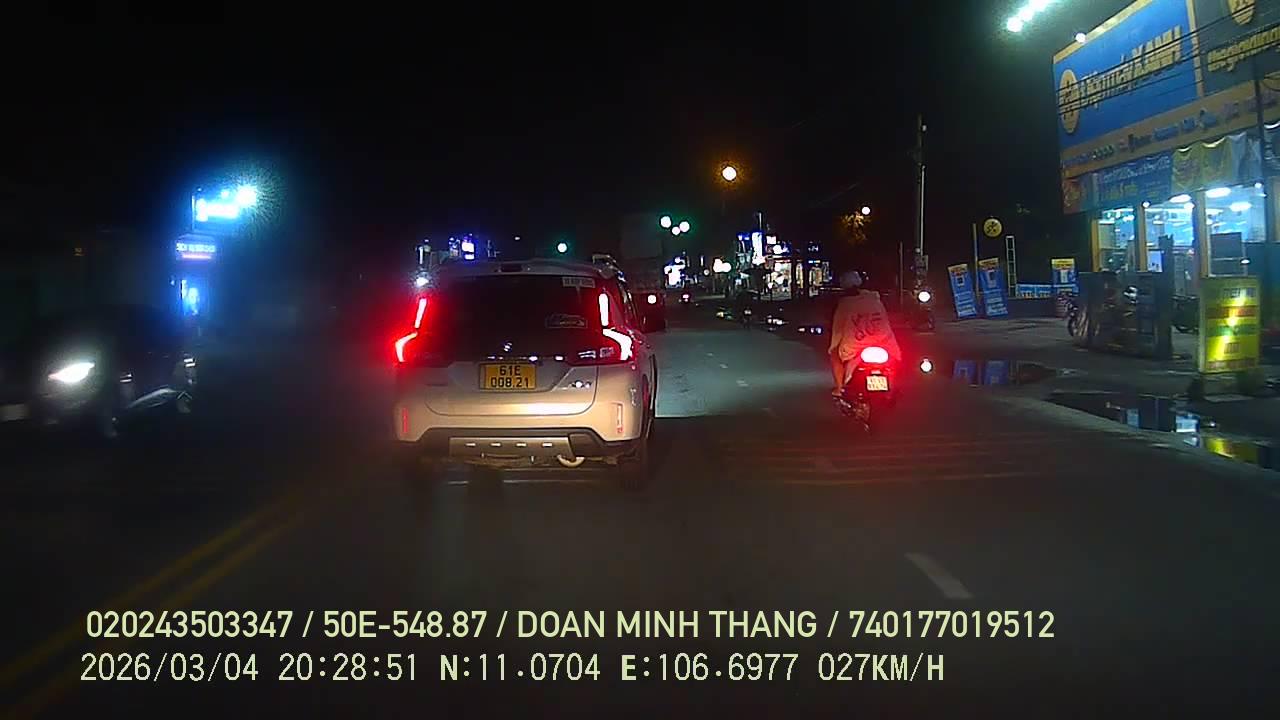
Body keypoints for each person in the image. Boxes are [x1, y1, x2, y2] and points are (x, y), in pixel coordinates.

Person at [828, 270, 901, 397]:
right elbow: (885, 322)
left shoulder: (845, 304)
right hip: (884, 342)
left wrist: (834, 346)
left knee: (834, 354)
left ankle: (840, 389)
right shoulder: (875, 299)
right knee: (895, 358)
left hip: (855, 346)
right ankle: (892, 385)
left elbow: (838, 330)